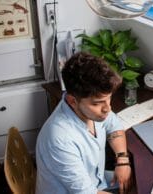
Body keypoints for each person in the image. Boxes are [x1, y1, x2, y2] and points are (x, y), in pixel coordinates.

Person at [35, 52, 131, 194]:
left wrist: (122, 160)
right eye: (98, 103)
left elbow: (114, 126)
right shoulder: (60, 139)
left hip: (95, 180)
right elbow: (87, 192)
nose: (107, 108)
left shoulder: (91, 108)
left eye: (109, 99)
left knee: (136, 179)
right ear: (72, 101)